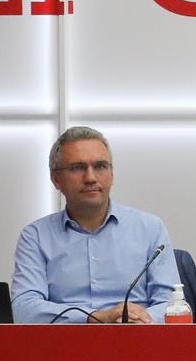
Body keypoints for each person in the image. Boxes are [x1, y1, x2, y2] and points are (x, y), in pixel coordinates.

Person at [11, 126, 178, 324]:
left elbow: (173, 305)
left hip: (137, 342)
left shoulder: (149, 228)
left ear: (112, 174)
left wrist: (141, 318)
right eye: (78, 168)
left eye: (100, 166)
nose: (90, 177)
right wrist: (94, 318)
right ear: (56, 179)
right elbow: (24, 308)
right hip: (65, 347)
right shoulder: (36, 236)